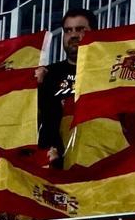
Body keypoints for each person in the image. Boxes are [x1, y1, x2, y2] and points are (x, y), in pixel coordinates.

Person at [38, 8, 94, 157]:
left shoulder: (105, 72)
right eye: (68, 30)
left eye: (80, 29)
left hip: (96, 159)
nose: (74, 35)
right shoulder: (47, 74)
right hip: (54, 161)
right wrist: (35, 85)